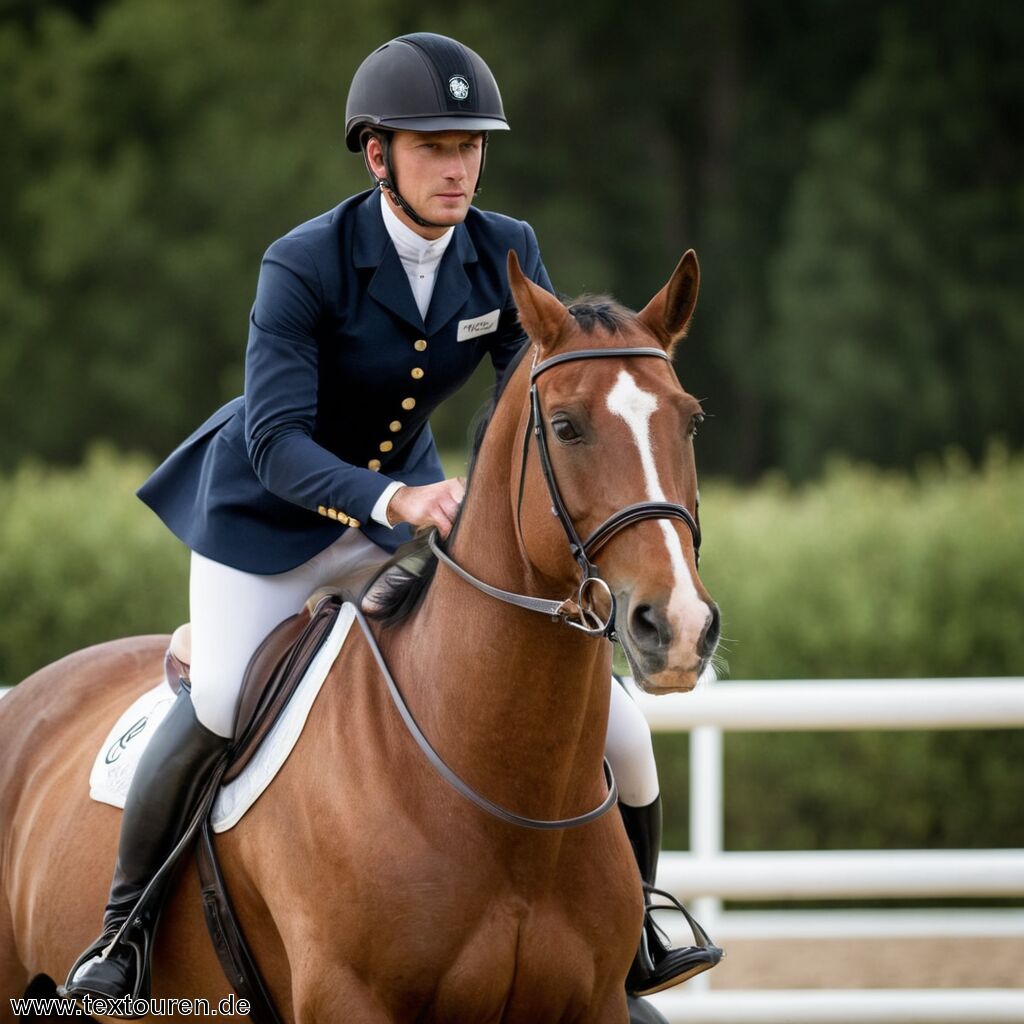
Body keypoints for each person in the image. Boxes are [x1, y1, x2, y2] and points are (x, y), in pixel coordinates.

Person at [65, 32, 717, 1006]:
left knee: (618, 725)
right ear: (380, 156)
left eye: (470, 148)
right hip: (268, 524)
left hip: (402, 527)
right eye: (433, 148)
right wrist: (393, 497)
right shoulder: (304, 264)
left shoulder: (506, 250)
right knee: (220, 697)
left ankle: (637, 930)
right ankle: (120, 933)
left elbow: (528, 403)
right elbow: (277, 440)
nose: (457, 168)